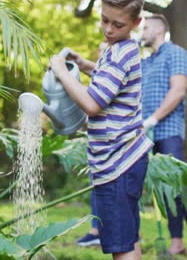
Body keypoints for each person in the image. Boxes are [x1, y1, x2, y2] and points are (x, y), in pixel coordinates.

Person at [49, 0, 154, 259]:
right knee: (128, 238)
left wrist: (61, 71)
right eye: (104, 20)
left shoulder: (119, 52)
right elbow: (109, 80)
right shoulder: (119, 48)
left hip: (117, 163)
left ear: (136, 22)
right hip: (128, 159)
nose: (108, 29)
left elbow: (93, 104)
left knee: (120, 246)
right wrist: (84, 65)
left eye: (117, 24)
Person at [140, 14, 187, 260]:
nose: (142, 32)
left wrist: (153, 118)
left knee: (180, 186)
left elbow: (178, 90)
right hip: (147, 135)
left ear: (159, 30)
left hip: (168, 130)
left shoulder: (175, 53)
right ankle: (176, 241)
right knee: (164, 190)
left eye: (146, 27)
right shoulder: (146, 62)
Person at [75, 41, 108, 247]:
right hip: (97, 143)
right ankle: (96, 230)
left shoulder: (117, 75)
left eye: (107, 52)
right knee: (96, 186)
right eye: (101, 52)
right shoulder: (100, 80)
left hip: (116, 145)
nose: (103, 56)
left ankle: (134, 231)